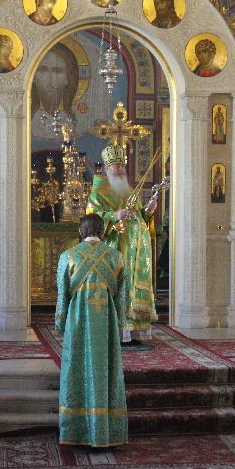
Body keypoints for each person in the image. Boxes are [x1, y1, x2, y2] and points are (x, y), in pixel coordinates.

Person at [55, 213, 129, 447]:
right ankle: (106, 430)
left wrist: (60, 322)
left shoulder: (68, 256)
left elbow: (62, 295)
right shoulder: (116, 257)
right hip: (106, 323)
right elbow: (122, 298)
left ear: (80, 231)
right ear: (103, 231)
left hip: (78, 322)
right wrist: (120, 323)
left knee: (77, 368)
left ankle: (77, 430)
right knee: (104, 369)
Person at [87, 144, 158, 347]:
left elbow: (139, 217)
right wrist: (114, 215)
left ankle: (136, 332)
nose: (121, 169)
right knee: (122, 286)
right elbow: (92, 217)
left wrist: (148, 211)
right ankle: (119, 332)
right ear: (108, 168)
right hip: (117, 248)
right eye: (117, 165)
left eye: (122, 165)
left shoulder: (129, 191)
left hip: (138, 250)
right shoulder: (98, 192)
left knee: (136, 287)